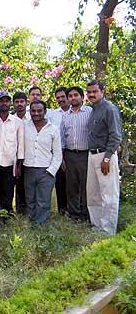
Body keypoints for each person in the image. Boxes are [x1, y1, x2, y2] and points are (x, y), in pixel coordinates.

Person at [86, 80, 122, 235]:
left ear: (103, 91)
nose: (91, 94)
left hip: (105, 156)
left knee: (108, 195)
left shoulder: (109, 109)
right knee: (93, 194)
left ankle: (107, 232)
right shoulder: (93, 109)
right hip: (92, 155)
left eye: (95, 91)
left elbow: (116, 136)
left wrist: (107, 158)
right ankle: (97, 227)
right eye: (89, 92)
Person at [0, 92, 24, 223]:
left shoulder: (17, 123)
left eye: (7, 101)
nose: (4, 103)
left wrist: (18, 166)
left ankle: (5, 218)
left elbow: (20, 146)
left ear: (10, 104)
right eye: (2, 101)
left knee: (8, 193)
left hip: (10, 164)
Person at [23, 101, 62, 224]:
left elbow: (57, 154)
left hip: (46, 170)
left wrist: (51, 171)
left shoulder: (53, 129)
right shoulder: (24, 126)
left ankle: (41, 224)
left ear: (45, 112)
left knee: (43, 200)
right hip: (28, 168)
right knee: (30, 199)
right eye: (33, 111)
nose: (36, 113)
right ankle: (31, 222)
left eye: (39, 111)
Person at [61, 87, 92, 221]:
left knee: (86, 186)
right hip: (69, 155)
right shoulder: (65, 116)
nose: (73, 98)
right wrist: (62, 158)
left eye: (76, 95)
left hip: (85, 154)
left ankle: (86, 215)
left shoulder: (90, 112)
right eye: (70, 96)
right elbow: (62, 137)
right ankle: (74, 214)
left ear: (82, 96)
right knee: (71, 186)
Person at [50, 87, 70, 215]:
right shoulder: (53, 115)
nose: (60, 100)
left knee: (74, 183)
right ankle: (62, 211)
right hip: (58, 152)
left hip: (74, 152)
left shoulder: (77, 112)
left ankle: (75, 210)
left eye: (63, 97)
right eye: (58, 98)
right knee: (60, 182)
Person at [12, 91, 30, 214]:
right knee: (15, 184)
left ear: (26, 103)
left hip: (29, 156)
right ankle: (18, 209)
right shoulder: (10, 119)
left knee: (26, 184)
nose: (19, 104)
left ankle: (26, 209)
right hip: (13, 157)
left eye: (21, 101)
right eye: (17, 102)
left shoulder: (32, 118)